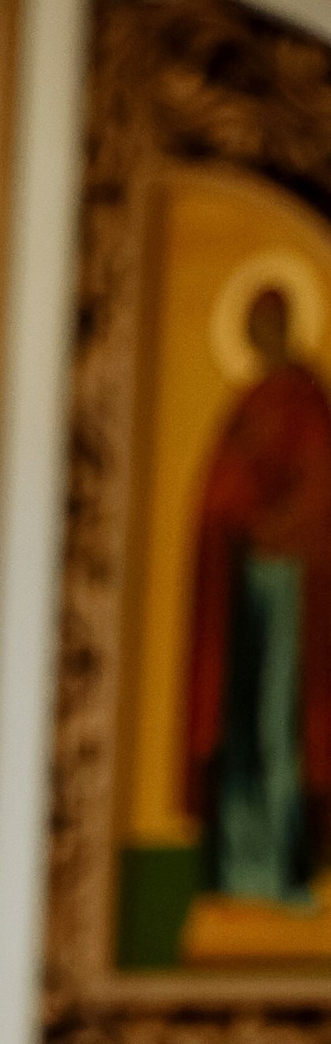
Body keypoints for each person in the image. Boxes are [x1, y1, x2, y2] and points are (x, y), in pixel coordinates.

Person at [184, 280, 331, 910]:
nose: (262, 333)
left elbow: (318, 490)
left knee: (279, 722)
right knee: (238, 725)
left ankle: (278, 869)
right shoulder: (245, 405)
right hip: (236, 585)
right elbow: (218, 492)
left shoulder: (304, 400)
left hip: (286, 584)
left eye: (271, 321)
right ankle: (242, 870)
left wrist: (274, 528)